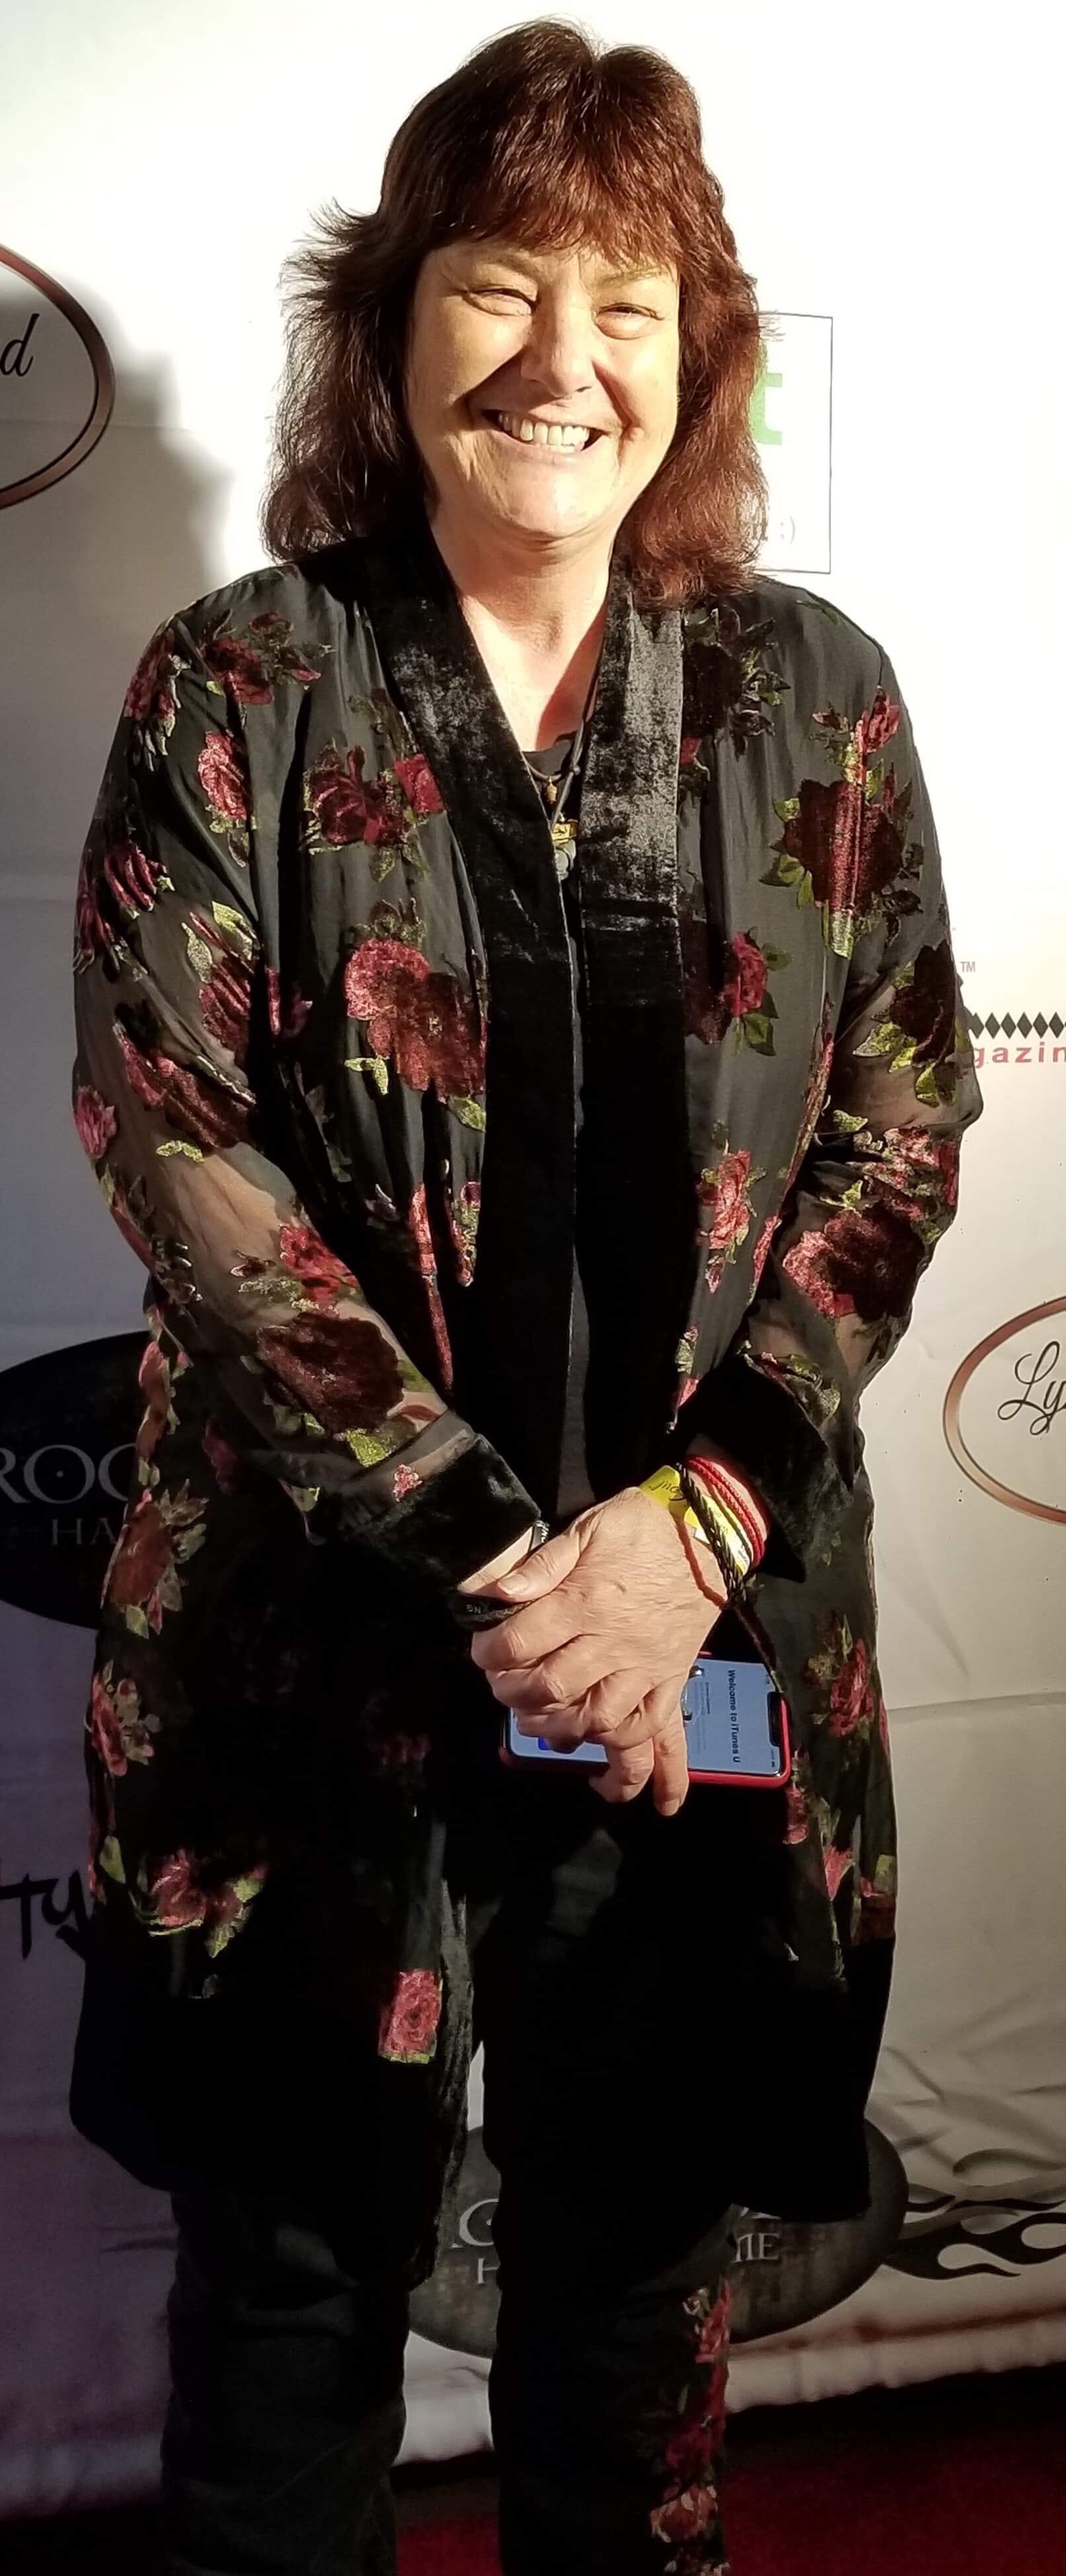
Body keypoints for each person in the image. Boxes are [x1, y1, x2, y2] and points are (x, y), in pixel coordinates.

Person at [67, 21, 983, 2573]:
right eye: (498, 284)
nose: (561, 360)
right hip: (315, 1651)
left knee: (640, 2281)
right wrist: (510, 1565)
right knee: (285, 2303)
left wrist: (685, 1535)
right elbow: (176, 1136)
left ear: (698, 359)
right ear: (391, 323)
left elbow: (906, 1115)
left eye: (628, 303)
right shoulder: (241, 683)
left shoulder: (820, 696)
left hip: (704, 1642)